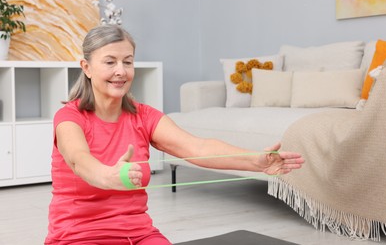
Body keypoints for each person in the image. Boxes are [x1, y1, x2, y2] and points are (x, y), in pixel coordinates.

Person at [45, 24, 304, 245]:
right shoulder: (70, 117)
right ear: (87, 68)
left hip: (139, 235)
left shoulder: (144, 116)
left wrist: (255, 161)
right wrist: (106, 175)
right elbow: (79, 159)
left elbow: (197, 148)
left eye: (128, 62)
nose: (121, 71)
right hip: (78, 236)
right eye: (110, 62)